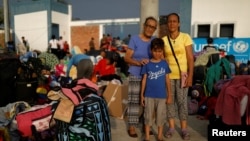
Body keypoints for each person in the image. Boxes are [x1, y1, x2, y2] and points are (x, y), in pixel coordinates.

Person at [124, 16, 158, 138]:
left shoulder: (155, 40)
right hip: (135, 73)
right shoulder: (134, 39)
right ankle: (132, 126)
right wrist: (138, 63)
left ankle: (146, 126)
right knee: (134, 101)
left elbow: (159, 56)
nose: (150, 29)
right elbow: (127, 58)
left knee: (149, 103)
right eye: (148, 26)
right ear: (144, 26)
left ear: (155, 29)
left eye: (153, 27)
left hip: (150, 76)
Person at [162, 12, 194, 140]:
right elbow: (163, 58)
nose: (172, 24)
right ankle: (171, 128)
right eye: (169, 21)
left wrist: (190, 76)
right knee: (169, 102)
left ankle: (184, 129)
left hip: (183, 76)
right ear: (167, 24)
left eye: (174, 21)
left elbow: (190, 58)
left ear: (179, 23)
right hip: (168, 76)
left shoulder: (185, 37)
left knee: (182, 103)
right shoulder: (164, 40)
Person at [140, 38, 172, 141]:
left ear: (162, 51)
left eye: (159, 51)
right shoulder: (147, 64)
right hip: (149, 95)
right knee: (148, 116)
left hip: (162, 95)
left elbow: (167, 80)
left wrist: (169, 95)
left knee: (160, 117)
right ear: (151, 50)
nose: (157, 53)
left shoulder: (164, 64)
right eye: (155, 51)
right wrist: (142, 95)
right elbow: (144, 80)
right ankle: (147, 137)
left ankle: (159, 135)